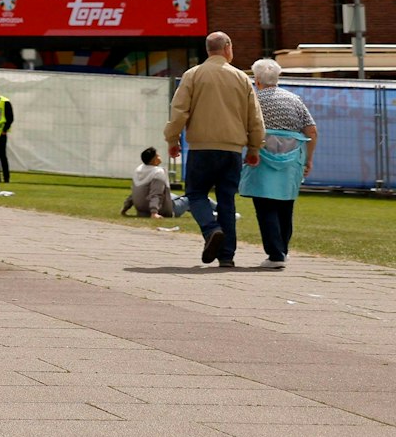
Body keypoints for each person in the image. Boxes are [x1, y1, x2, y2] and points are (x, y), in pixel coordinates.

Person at [164, 31, 265, 268]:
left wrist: (172, 139)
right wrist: (254, 147)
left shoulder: (193, 75)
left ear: (208, 49)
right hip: (231, 149)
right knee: (227, 199)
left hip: (201, 147)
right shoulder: (241, 78)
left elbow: (179, 111)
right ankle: (227, 256)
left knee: (196, 193)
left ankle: (211, 230)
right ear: (227, 47)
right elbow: (254, 117)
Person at [247, 58, 318, 268]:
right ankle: (283, 250)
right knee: (286, 205)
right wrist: (308, 158)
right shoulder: (294, 100)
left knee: (265, 204)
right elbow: (311, 131)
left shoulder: (254, 100)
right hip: (291, 158)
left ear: (257, 80)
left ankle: (275, 254)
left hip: (262, 156)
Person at [123, 147, 179, 218]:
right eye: (158, 156)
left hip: (141, 211)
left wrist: (125, 208)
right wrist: (154, 212)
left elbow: (134, 193)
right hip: (161, 210)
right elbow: (156, 194)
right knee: (189, 199)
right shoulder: (158, 172)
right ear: (154, 160)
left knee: (173, 196)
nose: (159, 157)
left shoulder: (138, 170)